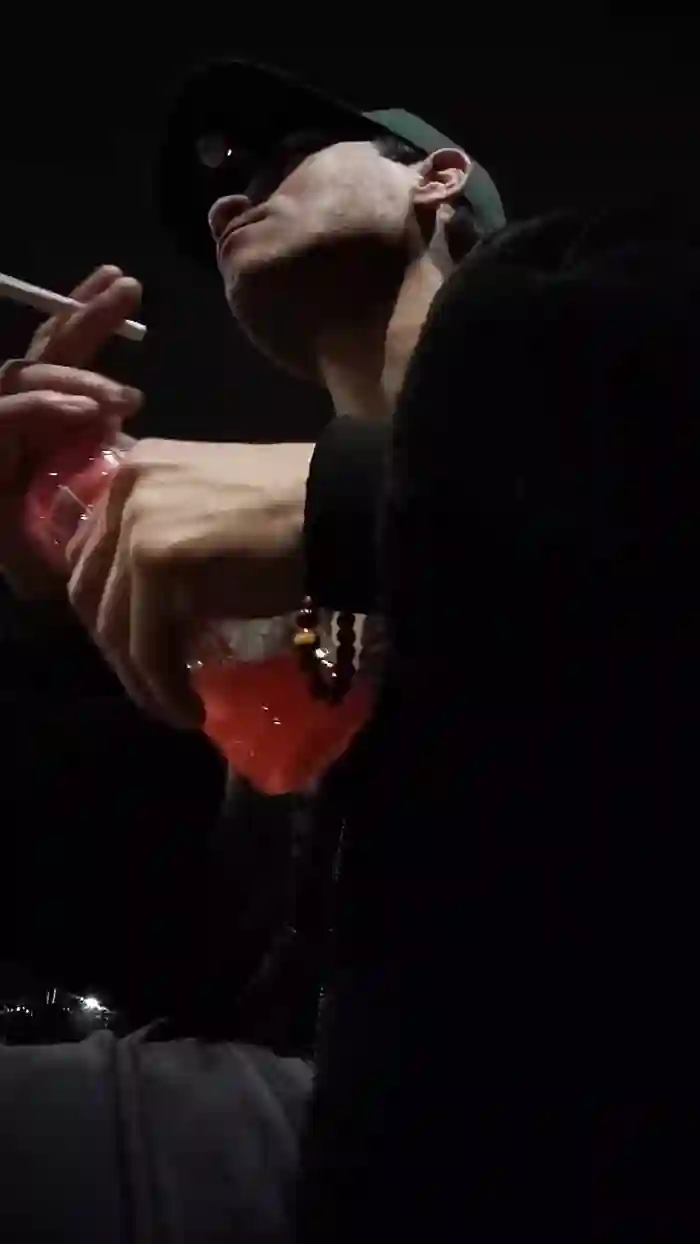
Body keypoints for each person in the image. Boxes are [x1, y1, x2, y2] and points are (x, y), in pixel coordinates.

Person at [1, 56, 698, 1238]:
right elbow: (153, 933)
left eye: (279, 159)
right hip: (340, 1143)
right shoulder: (263, 609)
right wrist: (48, 592)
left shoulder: (620, 289)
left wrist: (346, 497)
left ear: (437, 177)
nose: (228, 199)